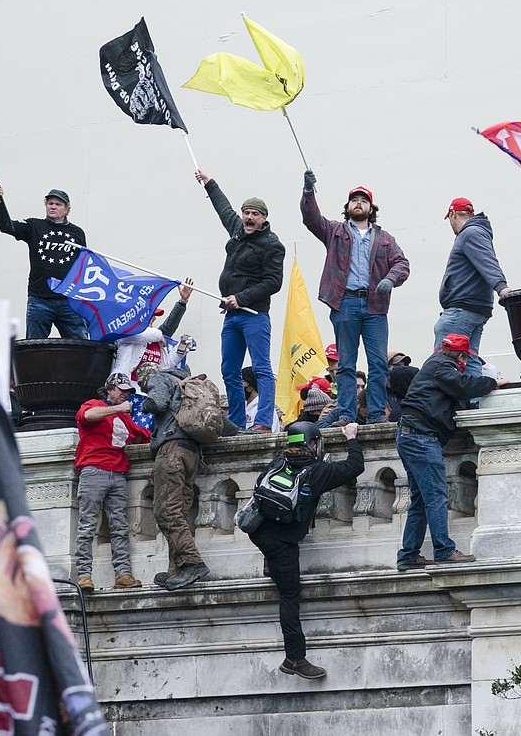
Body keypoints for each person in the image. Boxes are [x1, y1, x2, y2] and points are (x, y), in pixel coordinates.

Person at [246, 421, 363, 680]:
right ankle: (295, 659)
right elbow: (356, 466)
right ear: (314, 444)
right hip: (282, 542)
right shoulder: (317, 471)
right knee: (289, 596)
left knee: (279, 562)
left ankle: (272, 566)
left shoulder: (278, 462)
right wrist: (351, 438)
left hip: (259, 532)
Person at [301, 172, 409, 426]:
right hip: (345, 302)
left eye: (363, 200)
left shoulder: (384, 239)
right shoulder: (335, 231)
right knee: (346, 364)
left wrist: (390, 279)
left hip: (375, 306)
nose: (358, 203)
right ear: (348, 208)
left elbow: (402, 263)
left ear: (371, 208)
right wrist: (308, 191)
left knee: (379, 364)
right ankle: (347, 414)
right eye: (354, 200)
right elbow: (311, 218)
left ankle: (375, 416)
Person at [396, 334, 499, 571]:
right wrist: (491, 383)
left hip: (410, 435)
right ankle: (444, 550)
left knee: (421, 500)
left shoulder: (434, 365)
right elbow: (462, 386)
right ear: (461, 356)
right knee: (436, 496)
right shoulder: (441, 366)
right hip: (421, 438)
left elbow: (455, 395)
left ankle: (409, 555)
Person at [193, 170, 285, 434]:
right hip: (231, 316)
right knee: (229, 371)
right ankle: (236, 421)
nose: (248, 217)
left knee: (261, 369)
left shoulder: (272, 245)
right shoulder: (237, 229)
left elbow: (273, 282)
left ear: (264, 218)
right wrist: (209, 183)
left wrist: (241, 297)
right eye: (246, 212)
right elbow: (222, 208)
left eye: (254, 214)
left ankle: (263, 422)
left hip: (254, 315)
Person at [73, 372, 151, 592]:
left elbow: (142, 435)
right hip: (93, 471)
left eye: (127, 391)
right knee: (87, 525)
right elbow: (86, 416)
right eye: (121, 390)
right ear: (108, 390)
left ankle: (123, 574)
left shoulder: (125, 418)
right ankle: (84, 576)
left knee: (119, 527)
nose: (125, 394)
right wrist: (117, 409)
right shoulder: (95, 404)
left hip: (118, 473)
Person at [140, 366, 209, 590]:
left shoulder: (160, 378)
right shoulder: (190, 388)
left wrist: (142, 403)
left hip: (171, 451)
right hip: (192, 453)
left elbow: (157, 403)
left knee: (166, 511)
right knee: (180, 511)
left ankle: (192, 563)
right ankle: (176, 569)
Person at [0, 180, 88, 338]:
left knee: (81, 346)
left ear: (67, 209)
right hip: (40, 299)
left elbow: (83, 265)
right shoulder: (34, 226)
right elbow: (7, 226)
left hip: (69, 300)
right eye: (50, 203)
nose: (53, 206)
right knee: (34, 348)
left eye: (58, 204)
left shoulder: (77, 233)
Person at [435, 197, 511, 379]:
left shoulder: (470, 233)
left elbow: (487, 261)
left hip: (461, 309)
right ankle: (471, 405)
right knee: (469, 360)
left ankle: (444, 407)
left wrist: (502, 287)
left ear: (453, 214)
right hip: (474, 309)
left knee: (444, 362)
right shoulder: (477, 232)